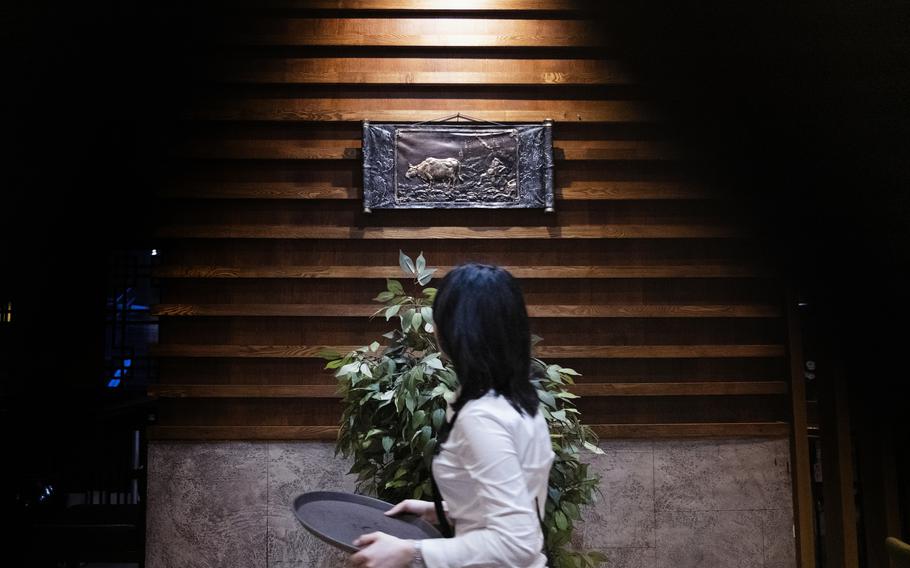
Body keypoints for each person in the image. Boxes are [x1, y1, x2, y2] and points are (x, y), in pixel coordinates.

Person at [350, 263, 556, 568]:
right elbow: (516, 498)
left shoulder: (482, 416)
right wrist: (445, 510)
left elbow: (517, 542)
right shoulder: (516, 398)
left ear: (458, 331)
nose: (434, 328)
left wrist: (413, 551)